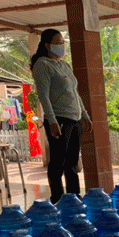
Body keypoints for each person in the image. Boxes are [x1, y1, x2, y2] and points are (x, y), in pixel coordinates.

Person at [30, 28, 92, 204]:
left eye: (63, 43)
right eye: (58, 43)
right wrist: (52, 121)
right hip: (59, 119)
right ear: (47, 45)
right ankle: (57, 198)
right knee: (58, 161)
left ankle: (73, 198)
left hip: (75, 118)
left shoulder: (64, 65)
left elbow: (75, 92)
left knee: (72, 162)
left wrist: (85, 115)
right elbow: (44, 95)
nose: (61, 46)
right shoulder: (42, 65)